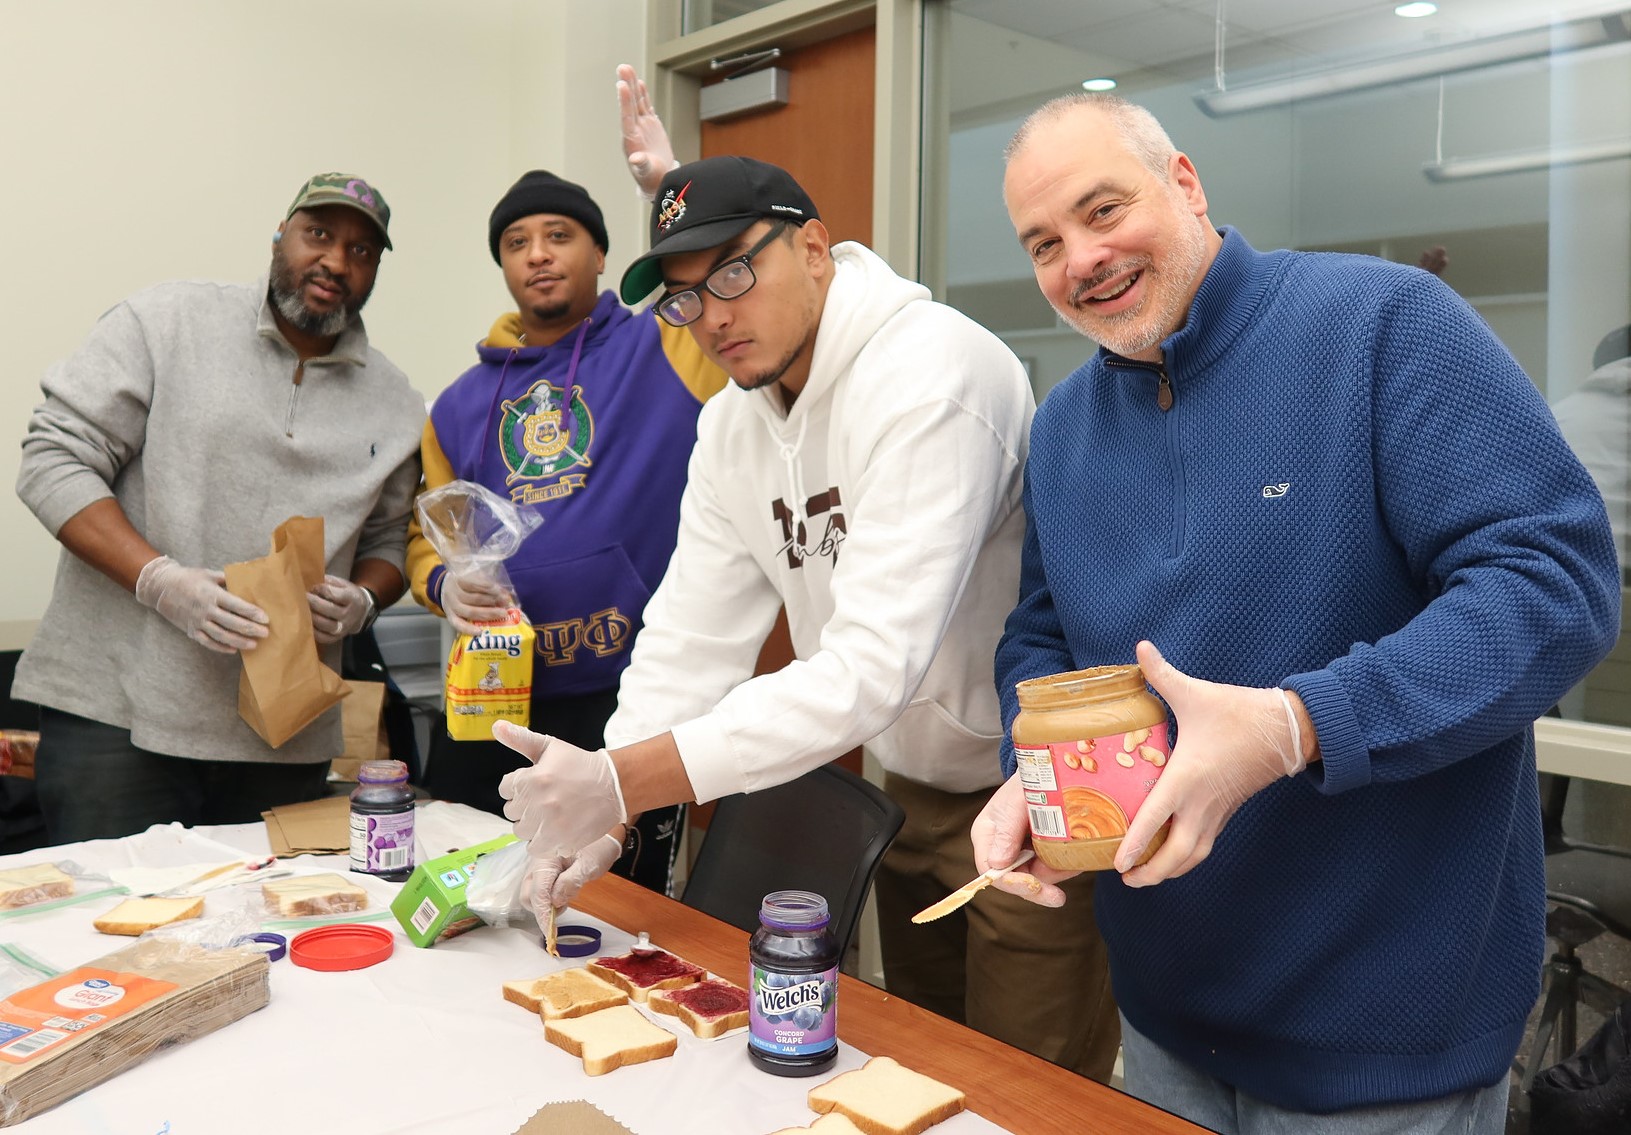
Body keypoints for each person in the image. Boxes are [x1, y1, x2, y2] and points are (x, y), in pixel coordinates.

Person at [972, 93, 1621, 1133]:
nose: (1079, 260)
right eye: (1042, 243)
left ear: (1183, 182)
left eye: (1102, 210)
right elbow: (1044, 636)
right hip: (1164, 1015)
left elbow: (1552, 583)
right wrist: (1035, 770)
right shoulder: (1061, 430)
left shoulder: (1382, 326)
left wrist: (1294, 725)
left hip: (1385, 1035)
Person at [496, 127, 1121, 1081]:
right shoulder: (730, 425)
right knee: (918, 1070)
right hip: (907, 785)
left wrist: (627, 783)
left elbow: (872, 666)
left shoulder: (932, 373)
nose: (710, 317)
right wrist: (603, 800)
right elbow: (690, 641)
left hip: (1028, 788)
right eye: (684, 297)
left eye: (733, 276)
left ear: (815, 249)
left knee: (1024, 1088)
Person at [13, 173, 426, 842]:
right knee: (112, 929)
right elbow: (52, 461)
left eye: (360, 250)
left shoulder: (398, 402)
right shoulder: (166, 321)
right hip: (117, 717)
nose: (335, 261)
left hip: (280, 735)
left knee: (265, 935)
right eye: (317, 234)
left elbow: (390, 542)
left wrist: (366, 600)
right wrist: (159, 580)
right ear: (278, 236)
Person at [404, 169, 726, 895]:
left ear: (602, 253)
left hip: (632, 690)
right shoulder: (455, 406)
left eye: (559, 235)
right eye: (517, 242)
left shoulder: (670, 346)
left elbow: (733, 306)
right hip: (497, 698)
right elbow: (426, 534)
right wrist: (444, 582)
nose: (538, 254)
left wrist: (669, 181)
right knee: (472, 889)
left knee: (612, 901)